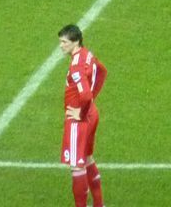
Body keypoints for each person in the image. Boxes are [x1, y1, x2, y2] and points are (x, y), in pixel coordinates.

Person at [58, 24, 108, 207]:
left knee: (76, 166)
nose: (61, 46)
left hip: (78, 120)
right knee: (87, 159)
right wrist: (91, 103)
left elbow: (85, 95)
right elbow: (102, 72)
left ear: (75, 42)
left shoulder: (76, 67)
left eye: (64, 42)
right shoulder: (87, 54)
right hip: (92, 114)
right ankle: (99, 204)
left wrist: (81, 112)